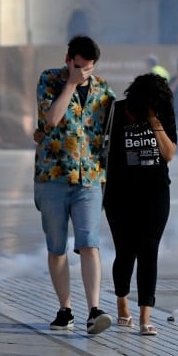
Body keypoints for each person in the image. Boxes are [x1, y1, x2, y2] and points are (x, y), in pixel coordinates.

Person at [34, 35, 116, 335]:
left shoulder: (103, 90)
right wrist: (70, 83)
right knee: (57, 248)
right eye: (79, 66)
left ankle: (94, 310)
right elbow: (51, 120)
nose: (84, 73)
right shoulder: (50, 80)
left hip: (90, 179)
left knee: (88, 242)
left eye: (89, 69)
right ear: (68, 59)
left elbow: (112, 132)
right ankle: (65, 309)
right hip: (53, 177)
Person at [103, 73, 177, 337]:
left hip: (155, 193)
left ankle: (145, 315)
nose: (155, 106)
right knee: (125, 252)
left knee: (149, 251)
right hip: (119, 193)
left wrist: (155, 120)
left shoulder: (163, 112)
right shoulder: (116, 110)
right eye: (151, 102)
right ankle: (122, 302)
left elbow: (168, 154)